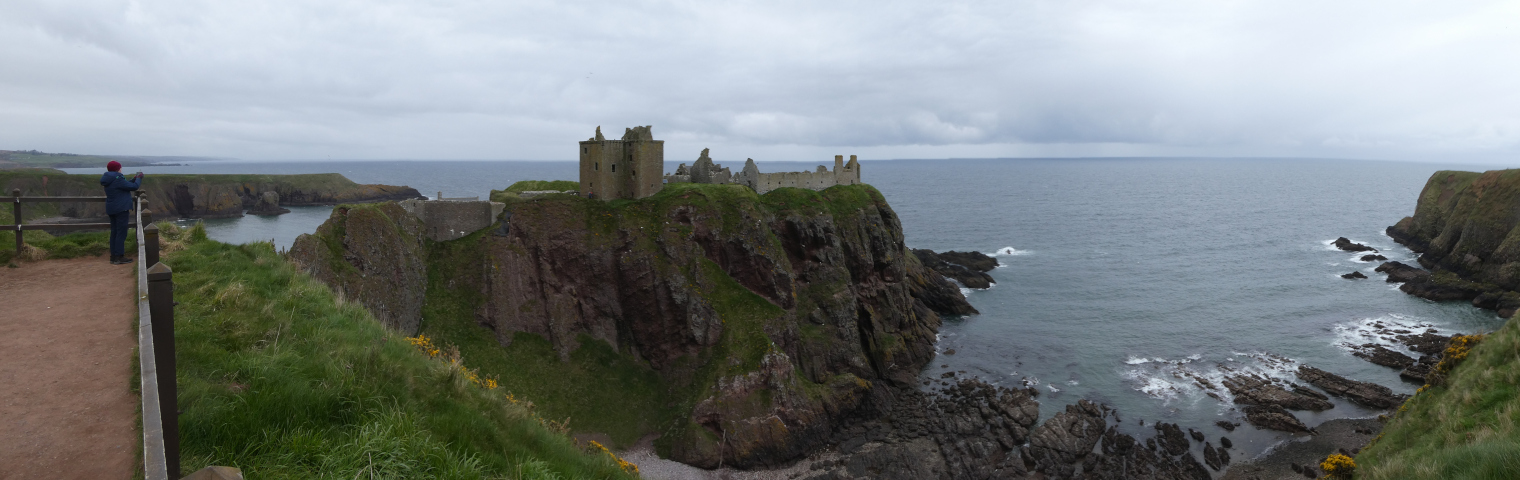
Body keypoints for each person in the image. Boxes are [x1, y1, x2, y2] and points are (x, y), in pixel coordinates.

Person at [99, 161, 143, 264]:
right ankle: (119, 256)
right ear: (117, 168)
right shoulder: (118, 178)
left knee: (114, 232)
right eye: (120, 167)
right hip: (121, 209)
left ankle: (113, 256)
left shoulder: (109, 178)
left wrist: (134, 179)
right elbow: (134, 187)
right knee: (121, 233)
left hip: (112, 208)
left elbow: (125, 185)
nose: (121, 169)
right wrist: (139, 178)